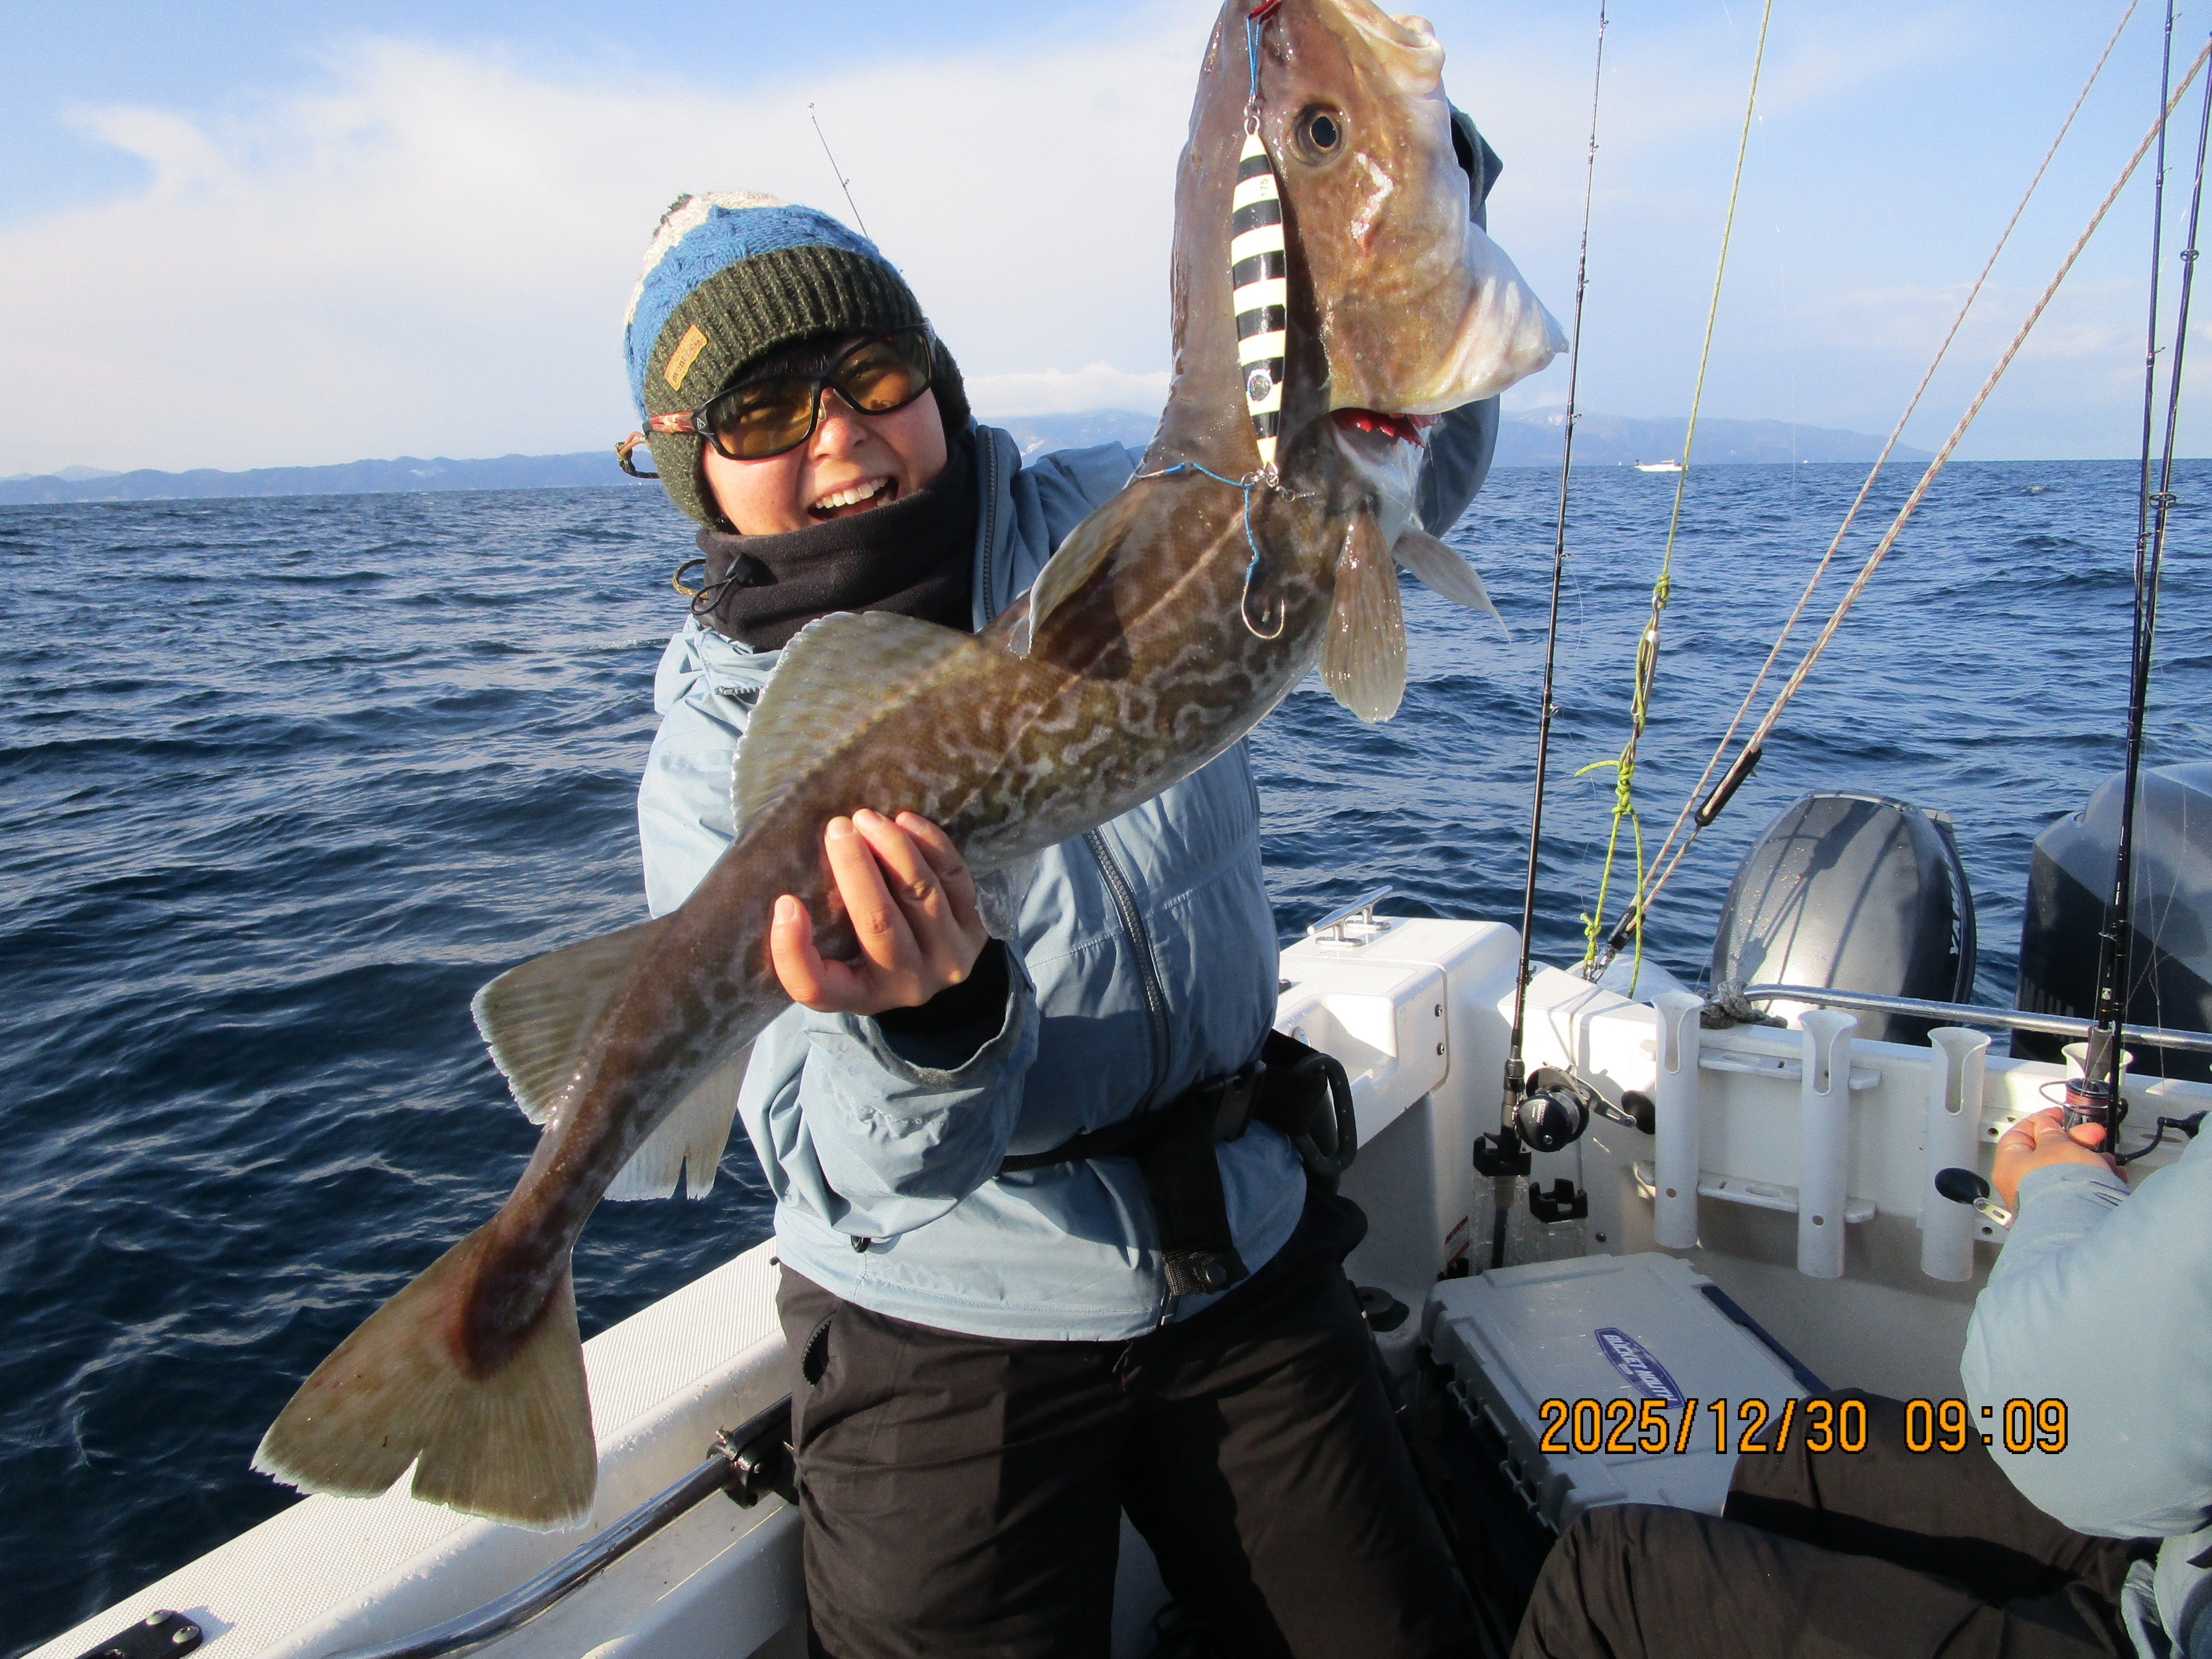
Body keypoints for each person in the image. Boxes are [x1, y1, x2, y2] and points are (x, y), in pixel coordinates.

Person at [618, 150, 1507, 1659]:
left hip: (1240, 1239)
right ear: (688, 464)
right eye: (762, 413)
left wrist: (1416, 196)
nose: (840, 434)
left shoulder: (1133, 511)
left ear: (936, 376)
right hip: (942, 1321)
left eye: (874, 374)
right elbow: (829, 1166)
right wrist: (932, 1033)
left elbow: (1390, 467)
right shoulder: (719, 756)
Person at [1510, 1104, 2212, 1659]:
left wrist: (2063, 1188)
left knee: (1610, 1575)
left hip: (2162, 1620)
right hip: (2170, 1571)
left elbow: (2064, 1420)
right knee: (1815, 1441)